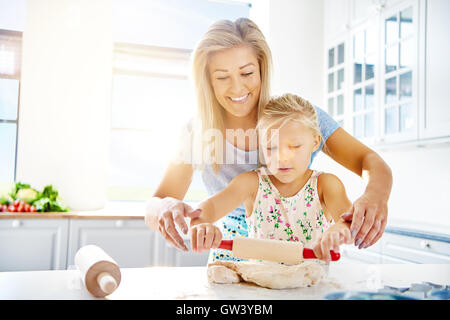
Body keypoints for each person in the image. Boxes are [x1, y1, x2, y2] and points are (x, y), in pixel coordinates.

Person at [144, 18, 392, 259]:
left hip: (299, 254)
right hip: (231, 255)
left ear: (262, 69)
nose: (237, 88)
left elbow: (368, 159)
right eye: (222, 77)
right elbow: (158, 202)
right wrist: (164, 208)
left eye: (247, 73)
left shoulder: (298, 119)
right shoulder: (196, 132)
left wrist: (375, 196)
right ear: (208, 80)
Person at [189, 93, 353, 263]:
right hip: (259, 286)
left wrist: (340, 230)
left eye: (294, 146)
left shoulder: (326, 185)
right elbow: (210, 208)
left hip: (311, 285)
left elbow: (350, 222)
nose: (282, 157)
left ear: (315, 142)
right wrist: (202, 225)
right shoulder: (251, 183)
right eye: (271, 147)